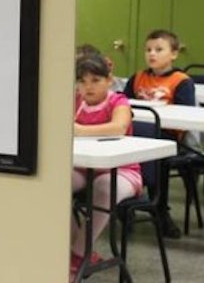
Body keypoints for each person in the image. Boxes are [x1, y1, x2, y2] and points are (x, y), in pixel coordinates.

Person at [70, 53, 142, 281]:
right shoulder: (76, 101)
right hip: (84, 167)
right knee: (55, 182)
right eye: (82, 81)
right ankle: (74, 248)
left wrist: (79, 130)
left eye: (95, 80)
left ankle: (77, 255)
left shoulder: (118, 101)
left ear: (109, 80)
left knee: (104, 187)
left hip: (122, 170)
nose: (87, 87)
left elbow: (119, 127)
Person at [121, 29, 196, 238]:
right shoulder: (137, 78)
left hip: (167, 137)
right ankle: (123, 205)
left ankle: (160, 209)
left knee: (157, 157)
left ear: (173, 54)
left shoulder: (182, 81)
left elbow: (185, 115)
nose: (152, 54)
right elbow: (122, 105)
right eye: (148, 50)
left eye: (159, 49)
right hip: (136, 135)